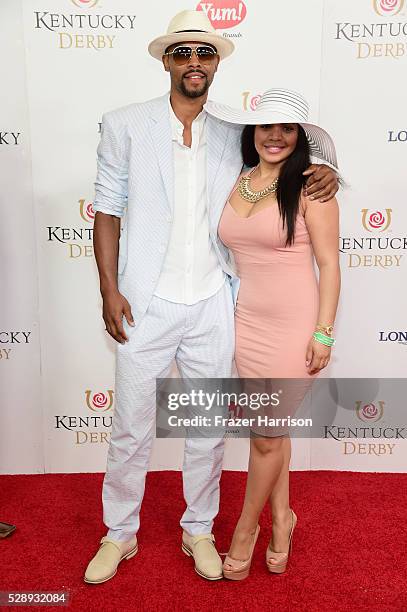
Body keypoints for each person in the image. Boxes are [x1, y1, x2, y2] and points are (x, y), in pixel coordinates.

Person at [84, 9, 339, 584]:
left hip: (214, 303)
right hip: (144, 303)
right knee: (130, 423)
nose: (194, 62)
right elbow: (107, 207)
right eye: (182, 53)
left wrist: (326, 170)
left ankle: (198, 526)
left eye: (205, 53)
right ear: (165, 61)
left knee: (206, 425)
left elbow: (285, 150)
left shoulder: (233, 126)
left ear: (217, 62)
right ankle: (118, 533)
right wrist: (108, 288)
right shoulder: (123, 124)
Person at [204, 89, 341, 580]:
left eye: (286, 128)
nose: (275, 136)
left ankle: (245, 530)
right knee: (271, 433)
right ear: (252, 132)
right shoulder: (235, 179)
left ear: (300, 136)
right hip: (245, 321)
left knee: (263, 435)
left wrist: (323, 333)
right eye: (266, 127)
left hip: (293, 324)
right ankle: (282, 519)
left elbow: (328, 263)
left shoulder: (313, 187)